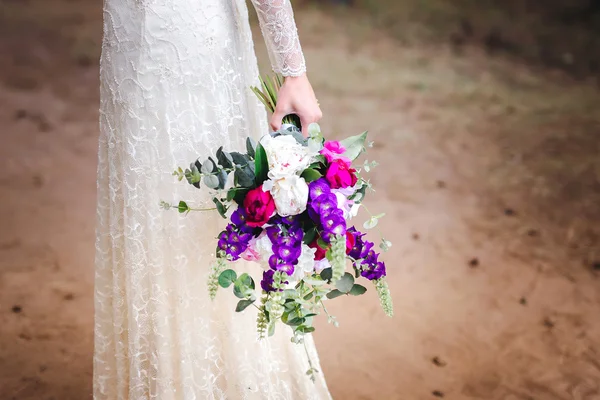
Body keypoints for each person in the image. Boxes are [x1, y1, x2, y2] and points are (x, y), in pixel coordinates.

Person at [93, 0, 330, 398]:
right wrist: (293, 72)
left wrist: (293, 70)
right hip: (175, 36)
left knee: (174, 211)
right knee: (176, 210)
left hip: (147, 36)